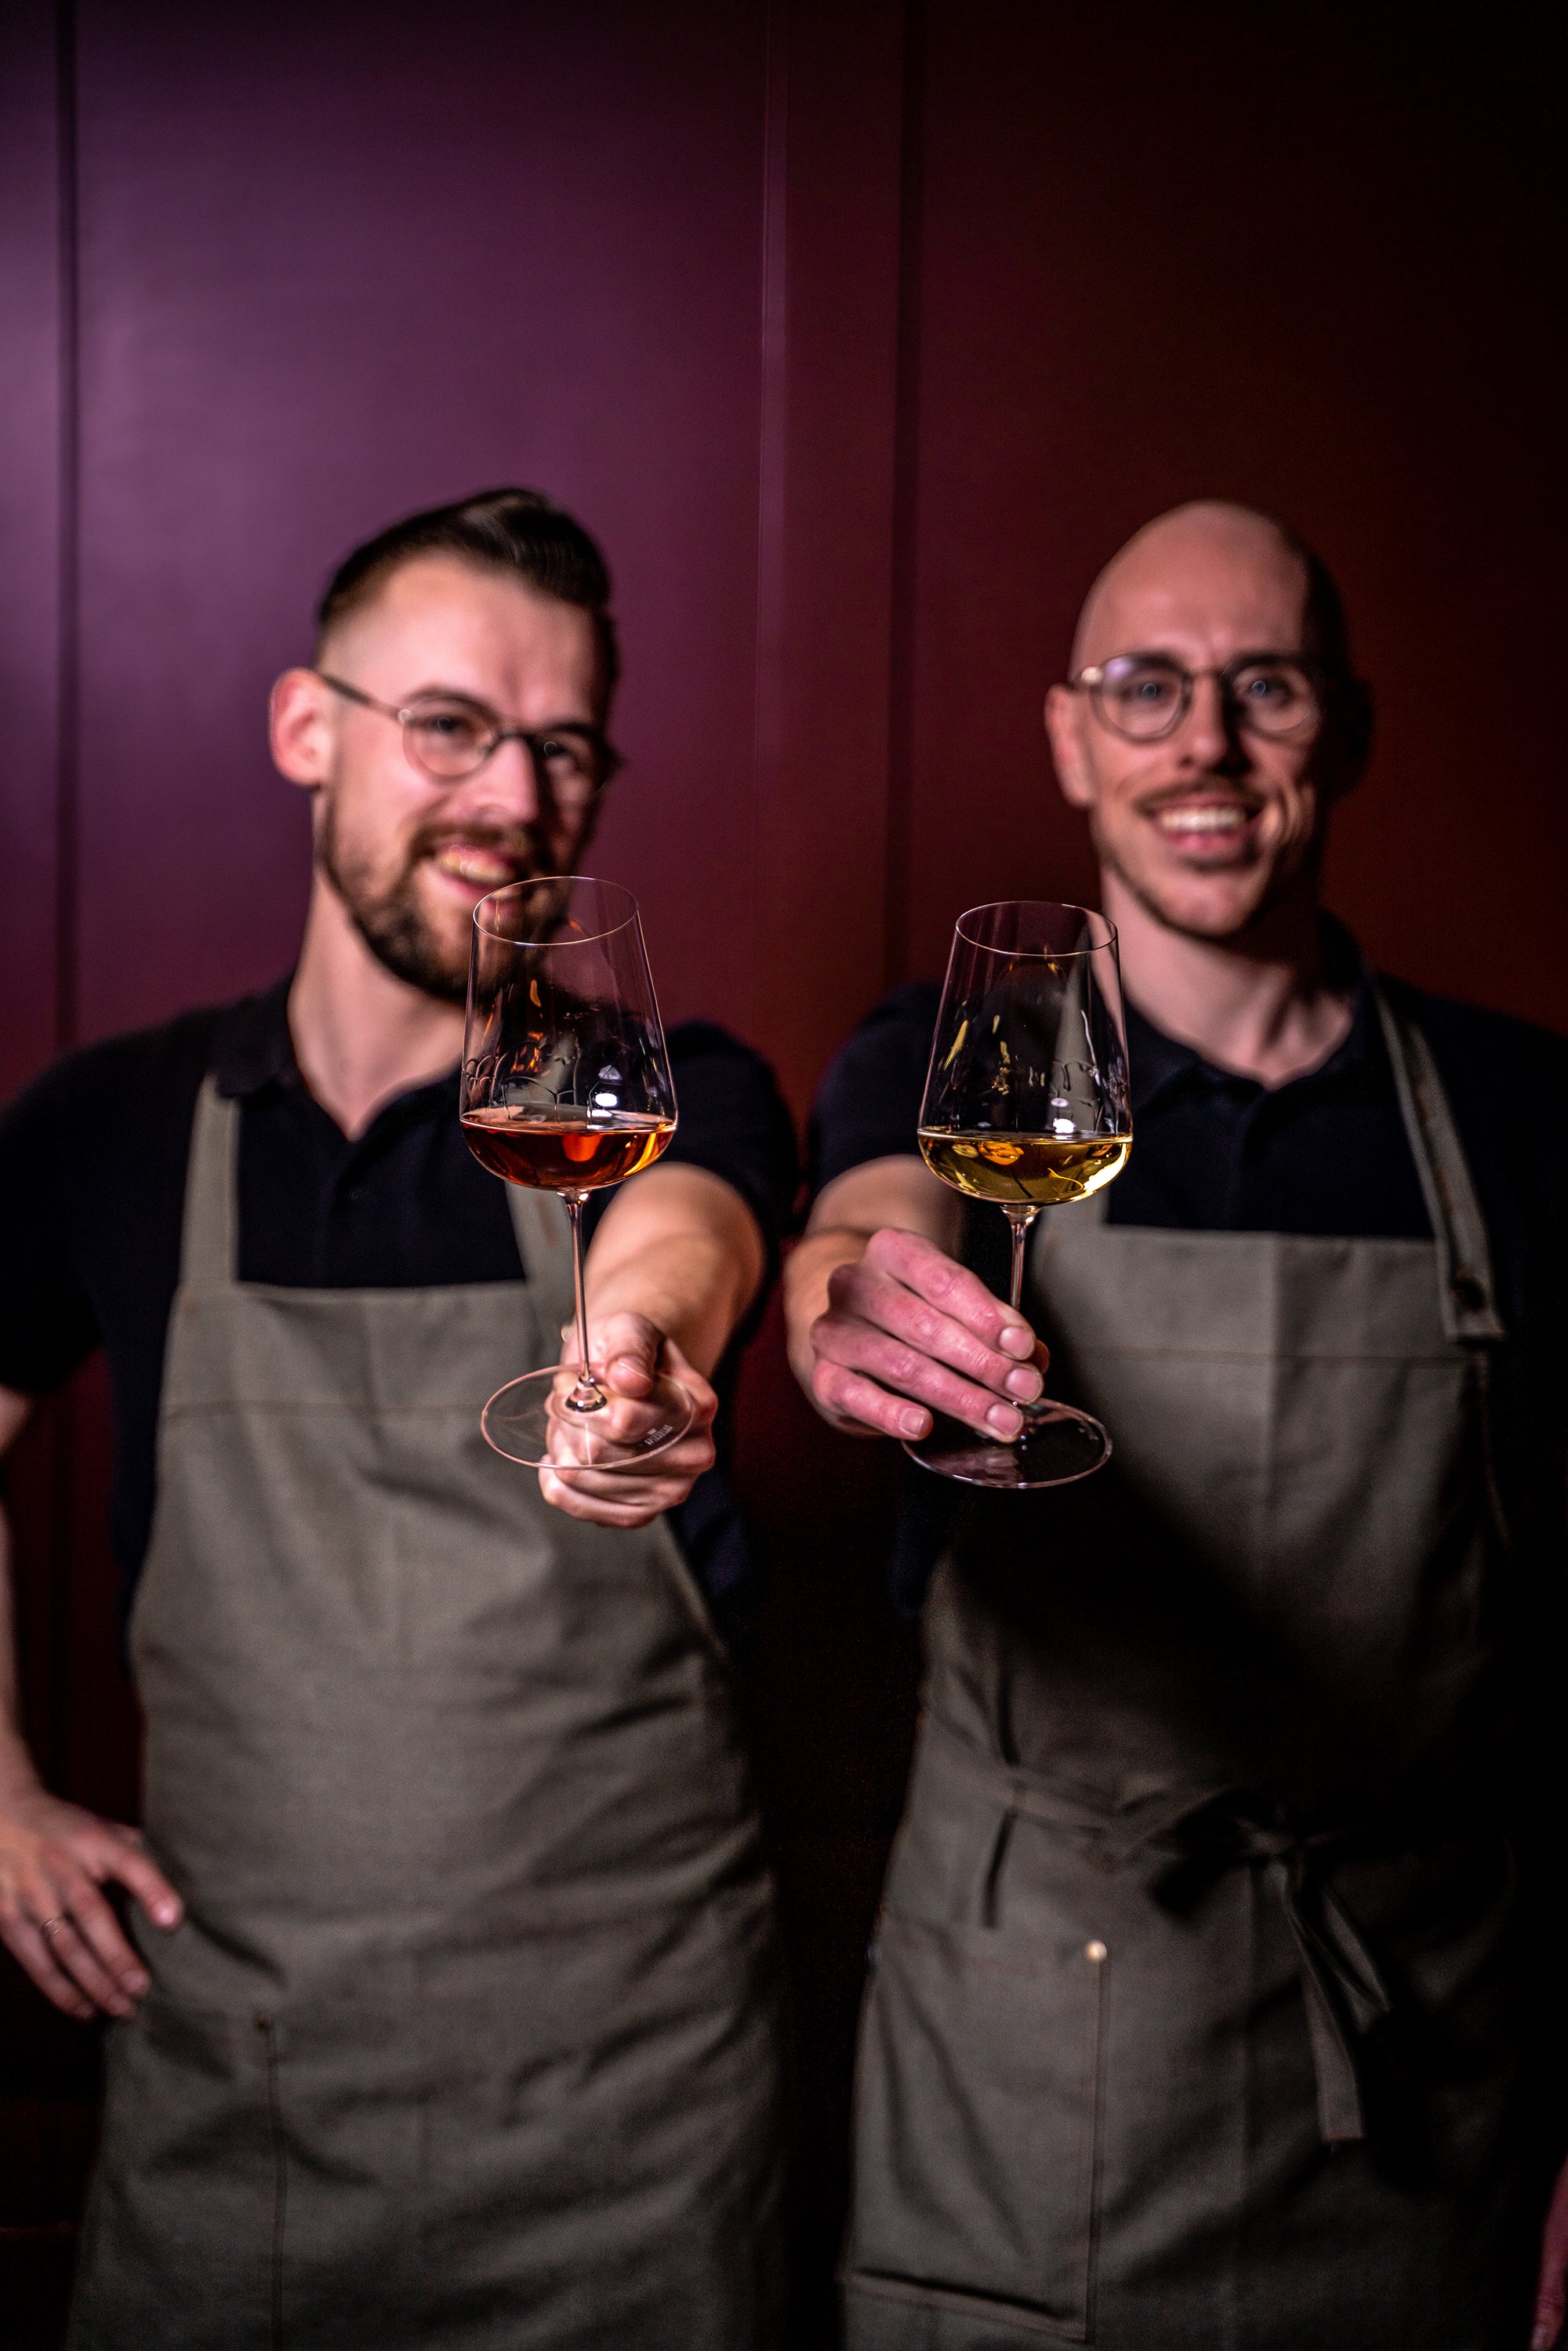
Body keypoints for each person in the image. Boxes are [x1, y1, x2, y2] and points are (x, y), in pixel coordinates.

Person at [0, 489, 796, 2349]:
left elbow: (687, 1232)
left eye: (563, 746)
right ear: (308, 727)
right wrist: (0, 1794)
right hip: (237, 2139)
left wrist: (643, 1353)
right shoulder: (117, 1122)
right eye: (451, 726)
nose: (515, 800)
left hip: (642, 2149)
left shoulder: (653, 1091)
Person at [787, 501, 1568, 2349]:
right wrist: (852, 1301)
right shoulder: (948, 1055)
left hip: (1424, 2056)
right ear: (1068, 735)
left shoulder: (1521, 1113)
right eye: (1144, 688)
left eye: (1263, 688)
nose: (1201, 745)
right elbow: (869, 1215)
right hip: (1036, 2047)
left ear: (1345, 732)